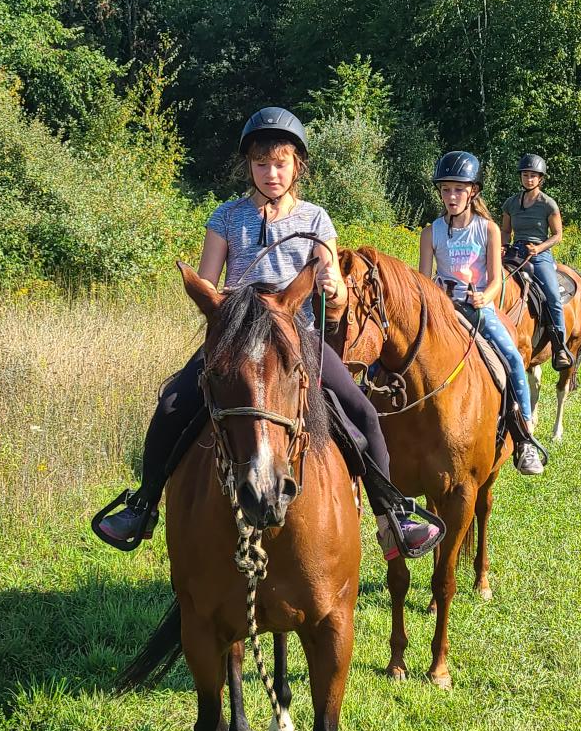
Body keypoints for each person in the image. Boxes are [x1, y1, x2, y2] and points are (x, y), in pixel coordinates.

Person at [93, 107, 446, 560]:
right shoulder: (225, 217)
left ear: (297, 164)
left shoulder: (316, 220)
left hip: (295, 336)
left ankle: (391, 514)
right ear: (249, 167)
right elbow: (209, 282)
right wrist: (220, 299)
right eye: (262, 164)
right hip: (237, 335)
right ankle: (143, 505)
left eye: (280, 163)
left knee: (362, 414)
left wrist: (332, 286)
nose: (271, 172)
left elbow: (333, 294)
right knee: (172, 403)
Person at [418, 152, 545, 477]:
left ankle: (525, 437)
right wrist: (436, 298)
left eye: (458, 190)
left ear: (473, 191)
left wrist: (482, 297)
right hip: (442, 310)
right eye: (446, 190)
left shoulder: (487, 229)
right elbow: (423, 278)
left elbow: (494, 281)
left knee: (513, 359)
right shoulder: (431, 232)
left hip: (477, 308)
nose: (451, 197)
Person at [501, 154, 573, 372]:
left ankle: (559, 346)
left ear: (540, 178)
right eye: (525, 175)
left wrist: (539, 248)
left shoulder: (547, 204)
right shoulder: (511, 203)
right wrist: (503, 245)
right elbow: (506, 230)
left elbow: (557, 234)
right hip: (515, 251)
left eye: (533, 175)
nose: (529, 179)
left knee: (552, 295)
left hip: (539, 255)